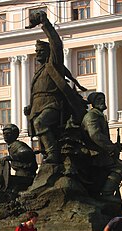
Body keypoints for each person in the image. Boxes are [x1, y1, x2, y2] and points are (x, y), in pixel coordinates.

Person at [24, 11, 87, 164]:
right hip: (38, 106)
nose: (37, 53)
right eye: (36, 51)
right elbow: (36, 93)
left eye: (40, 51)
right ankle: (49, 155)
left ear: (48, 53)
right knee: (42, 129)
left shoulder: (54, 65)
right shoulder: (39, 71)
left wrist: (45, 24)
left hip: (53, 104)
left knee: (41, 123)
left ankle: (53, 154)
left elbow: (56, 44)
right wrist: (30, 107)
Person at [81, 92, 122, 200]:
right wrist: (111, 147)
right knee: (121, 167)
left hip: (101, 153)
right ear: (92, 102)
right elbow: (95, 135)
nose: (102, 101)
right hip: (94, 154)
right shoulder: (92, 115)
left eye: (103, 98)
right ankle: (106, 194)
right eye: (98, 99)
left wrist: (114, 146)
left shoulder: (99, 115)